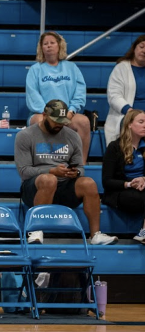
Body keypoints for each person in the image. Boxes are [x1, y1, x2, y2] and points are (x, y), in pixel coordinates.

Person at [15, 99, 117, 246]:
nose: (59, 125)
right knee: (49, 179)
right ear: (44, 115)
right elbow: (24, 172)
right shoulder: (25, 135)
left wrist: (75, 173)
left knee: (88, 183)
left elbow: (80, 168)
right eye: (55, 121)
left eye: (62, 121)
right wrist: (52, 171)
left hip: (64, 187)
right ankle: (35, 230)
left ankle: (95, 235)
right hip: (35, 188)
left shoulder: (72, 136)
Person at [25, 32, 91, 163]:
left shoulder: (72, 67)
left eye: (52, 43)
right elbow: (33, 95)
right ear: (41, 48)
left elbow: (79, 93)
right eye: (45, 44)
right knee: (39, 120)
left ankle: (80, 164)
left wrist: (71, 112)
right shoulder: (35, 69)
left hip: (67, 114)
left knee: (83, 121)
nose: (49, 46)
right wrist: (51, 115)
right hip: (43, 114)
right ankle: (45, 163)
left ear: (59, 46)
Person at [101, 109, 145, 243]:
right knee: (136, 197)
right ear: (129, 125)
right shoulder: (114, 147)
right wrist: (129, 184)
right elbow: (107, 181)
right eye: (141, 122)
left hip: (143, 189)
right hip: (121, 192)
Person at [104, 34, 145, 145]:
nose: (144, 51)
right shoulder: (121, 68)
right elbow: (114, 95)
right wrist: (130, 112)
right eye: (142, 47)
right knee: (137, 124)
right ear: (134, 48)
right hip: (127, 115)